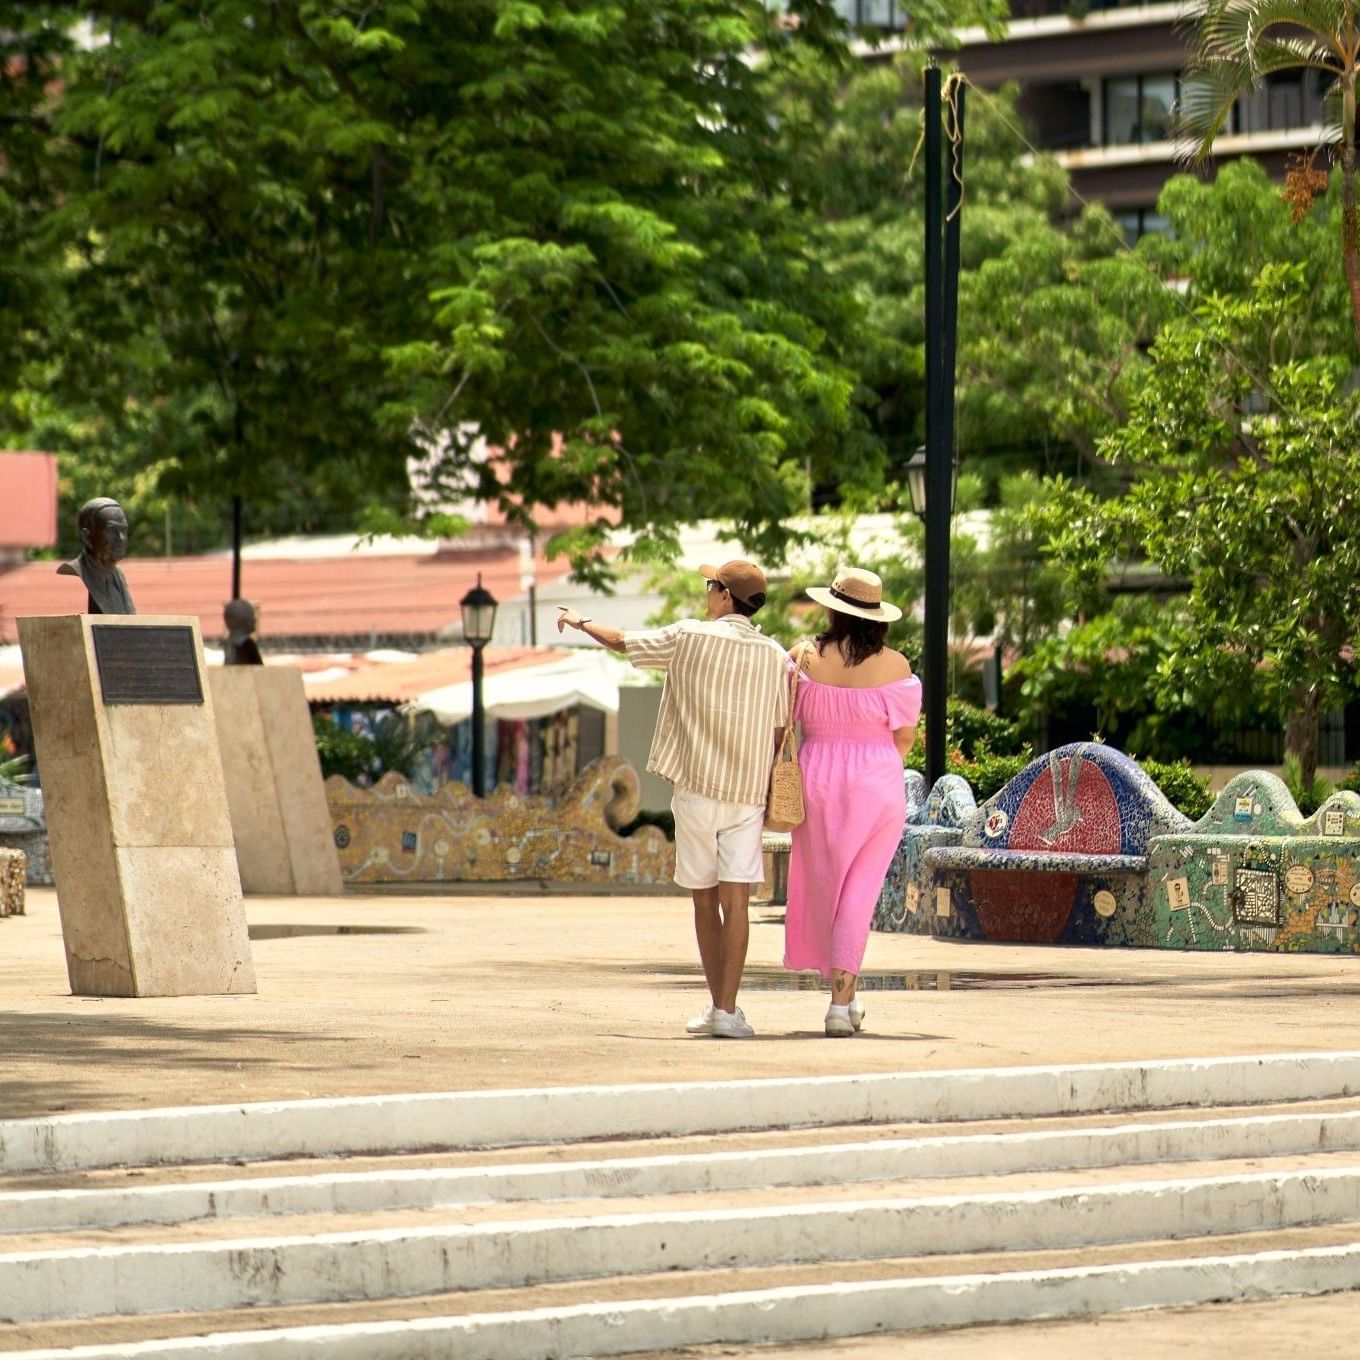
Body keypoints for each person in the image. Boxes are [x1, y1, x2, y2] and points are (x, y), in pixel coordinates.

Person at [558, 560, 789, 1038]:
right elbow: (779, 729)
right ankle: (727, 1010)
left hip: (696, 791)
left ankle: (716, 1008)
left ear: (725, 595)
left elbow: (624, 641)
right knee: (738, 903)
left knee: (704, 902)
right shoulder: (775, 655)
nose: (706, 593)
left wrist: (580, 621)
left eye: (711, 586)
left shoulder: (690, 636)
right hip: (746, 794)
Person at [785, 567, 920, 1037]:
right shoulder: (897, 667)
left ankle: (846, 994)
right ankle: (840, 1005)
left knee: (825, 885)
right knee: (858, 894)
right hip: (877, 782)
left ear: (832, 610)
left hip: (816, 780)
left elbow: (782, 717)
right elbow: (904, 739)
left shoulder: (802, 657)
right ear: (878, 618)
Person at [56, 497, 136, 615]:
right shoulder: (82, 572)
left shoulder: (119, 576)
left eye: (123, 530)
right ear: (87, 537)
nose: (121, 538)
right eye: (112, 530)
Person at [223, 599, 265, 665]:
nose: (255, 620)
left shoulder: (228, 643)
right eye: (252, 616)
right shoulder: (247, 645)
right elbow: (258, 669)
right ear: (244, 619)